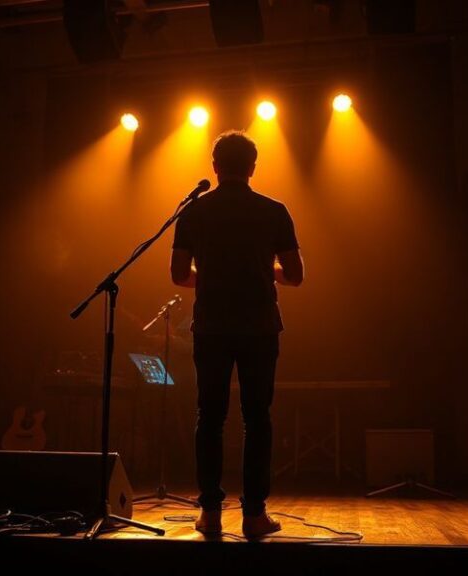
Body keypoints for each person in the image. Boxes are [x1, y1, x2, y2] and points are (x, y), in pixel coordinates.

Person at [170, 130, 304, 538]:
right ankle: (254, 516)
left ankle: (210, 513)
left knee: (208, 417)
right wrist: (267, 272)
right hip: (259, 327)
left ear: (214, 166)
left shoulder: (193, 213)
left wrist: (210, 275)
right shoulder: (274, 210)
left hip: (210, 326)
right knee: (256, 418)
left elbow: (179, 275)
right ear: (252, 166)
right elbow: (296, 276)